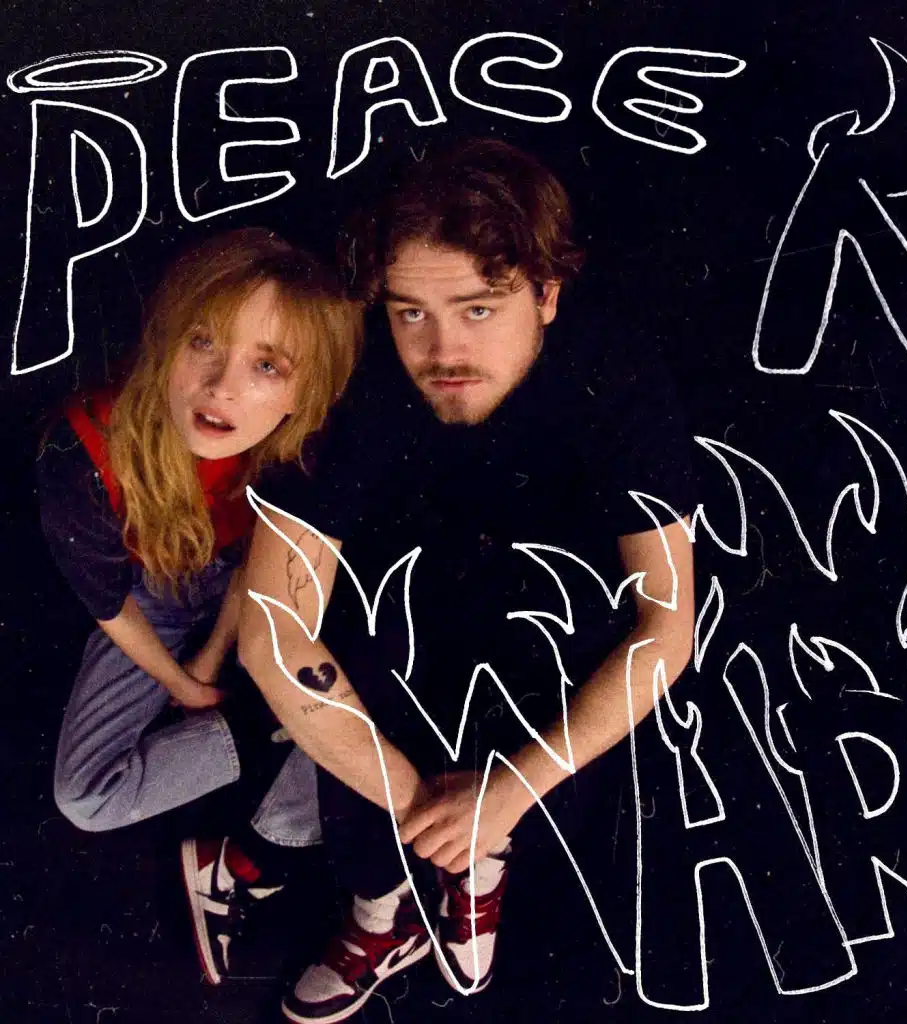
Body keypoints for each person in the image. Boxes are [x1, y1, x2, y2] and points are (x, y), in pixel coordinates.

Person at [236, 139, 697, 1023]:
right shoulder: (358, 371)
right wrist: (430, 813)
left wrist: (507, 794)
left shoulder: (614, 370)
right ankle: (384, 908)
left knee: (574, 641)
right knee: (356, 645)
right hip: (399, 629)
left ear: (546, 294)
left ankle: (483, 864)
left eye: (479, 309)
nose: (441, 348)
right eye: (411, 312)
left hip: (543, 633)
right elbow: (271, 630)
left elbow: (666, 626)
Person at [35, 227, 362, 985]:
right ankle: (271, 736)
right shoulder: (82, 445)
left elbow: (259, 572)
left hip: (254, 586)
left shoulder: (303, 447)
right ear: (165, 339)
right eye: (202, 341)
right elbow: (109, 604)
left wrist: (215, 661)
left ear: (303, 391)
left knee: (365, 706)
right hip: (151, 598)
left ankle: (265, 806)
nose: (221, 387)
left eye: (266, 366)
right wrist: (184, 683)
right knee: (84, 797)